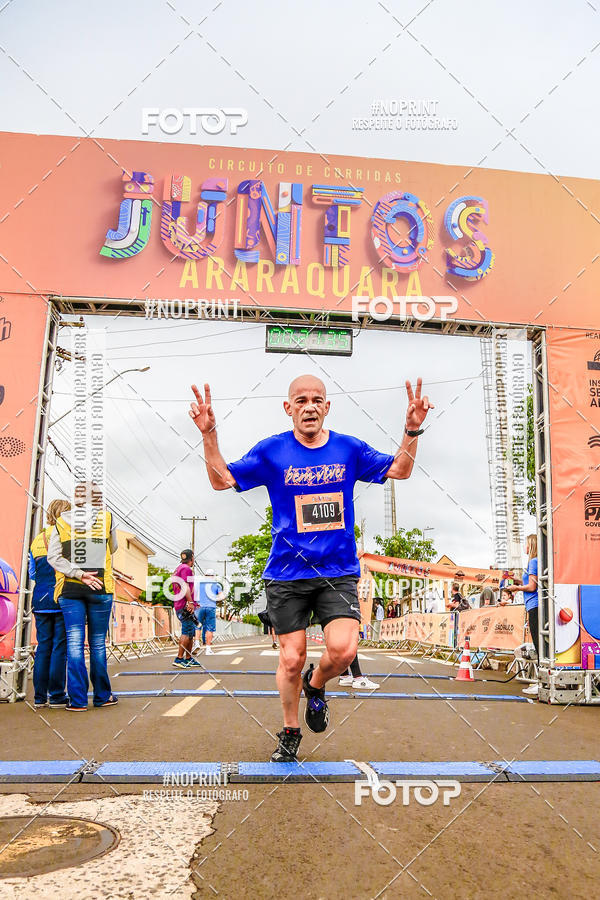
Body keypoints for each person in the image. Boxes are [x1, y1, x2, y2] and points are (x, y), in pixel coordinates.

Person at [189, 374, 432, 762]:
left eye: (317, 399)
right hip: (286, 572)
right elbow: (222, 481)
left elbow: (399, 470)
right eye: (301, 400)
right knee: (291, 657)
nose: (310, 406)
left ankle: (316, 685)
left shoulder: (348, 449)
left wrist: (412, 429)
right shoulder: (272, 452)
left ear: (327, 407)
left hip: (336, 570)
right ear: (289, 408)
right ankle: (290, 731)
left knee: (343, 649)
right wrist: (209, 433)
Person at [47, 482, 118, 710]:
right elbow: (114, 547)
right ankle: (102, 696)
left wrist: (78, 573)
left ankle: (77, 700)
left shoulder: (61, 521)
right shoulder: (107, 518)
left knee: (74, 645)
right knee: (97, 643)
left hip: (71, 589)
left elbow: (54, 558)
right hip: (101, 587)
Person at [29, 499, 71, 709]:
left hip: (40, 598)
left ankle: (39, 697)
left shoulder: (37, 539)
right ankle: (56, 695)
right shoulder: (66, 537)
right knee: (59, 647)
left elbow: (32, 573)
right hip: (61, 595)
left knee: (43, 647)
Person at [506, 534, 539, 696]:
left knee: (539, 645)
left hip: (535, 605)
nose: (525, 547)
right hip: (534, 605)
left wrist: (517, 588)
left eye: (526, 544)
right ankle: (541, 681)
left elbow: (532, 587)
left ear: (531, 545)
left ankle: (541, 682)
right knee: (540, 645)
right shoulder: (535, 562)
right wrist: (519, 582)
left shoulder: (533, 561)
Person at [172, 549, 202, 668]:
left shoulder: (178, 568)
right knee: (186, 632)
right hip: (184, 605)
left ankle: (188, 658)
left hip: (182, 604)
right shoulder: (186, 569)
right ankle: (179, 659)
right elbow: (184, 586)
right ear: (192, 558)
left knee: (190, 632)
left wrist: (193, 602)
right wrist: (190, 602)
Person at [194, 568, 221, 655]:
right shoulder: (216, 585)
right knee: (210, 628)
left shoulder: (199, 584)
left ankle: (197, 643)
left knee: (198, 626)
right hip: (211, 607)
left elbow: (194, 594)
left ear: (205, 576)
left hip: (199, 606)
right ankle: (208, 649)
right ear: (213, 576)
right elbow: (221, 596)